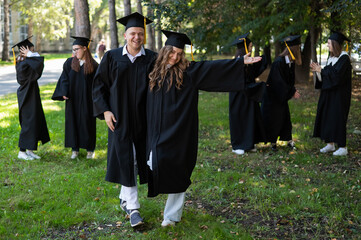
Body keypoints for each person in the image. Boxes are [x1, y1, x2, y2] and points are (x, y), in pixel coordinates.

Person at [146, 30, 262, 227]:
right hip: (155, 131)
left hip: (180, 131)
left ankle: (172, 216)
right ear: (164, 51)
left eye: (179, 54)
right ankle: (130, 201)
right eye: (172, 52)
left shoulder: (187, 72)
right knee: (153, 163)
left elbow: (211, 68)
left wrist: (239, 62)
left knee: (179, 170)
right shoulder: (153, 72)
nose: (175, 57)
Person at [92, 12, 157, 228]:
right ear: (125, 35)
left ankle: (124, 198)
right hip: (118, 118)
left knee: (138, 159)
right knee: (125, 156)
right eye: (132, 33)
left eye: (140, 33)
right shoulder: (111, 57)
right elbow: (98, 86)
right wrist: (105, 111)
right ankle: (134, 209)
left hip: (144, 118)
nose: (137, 37)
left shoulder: (152, 59)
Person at [52, 36, 99, 159]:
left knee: (87, 123)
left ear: (84, 48)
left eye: (77, 49)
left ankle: (90, 149)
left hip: (88, 101)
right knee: (72, 123)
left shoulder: (94, 65)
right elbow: (64, 79)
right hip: (73, 99)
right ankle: (75, 149)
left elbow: (98, 84)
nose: (75, 52)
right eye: (73, 50)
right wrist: (63, 91)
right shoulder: (69, 63)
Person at [310, 31, 352, 156]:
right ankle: (330, 144)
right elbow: (326, 78)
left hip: (339, 96)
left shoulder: (344, 59)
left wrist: (321, 70)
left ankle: (343, 147)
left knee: (337, 119)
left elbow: (336, 77)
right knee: (328, 117)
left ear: (335, 44)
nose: (327, 46)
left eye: (329, 43)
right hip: (328, 94)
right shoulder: (331, 59)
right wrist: (318, 71)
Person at [229, 32, 268, 155]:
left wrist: (261, 61)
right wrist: (260, 86)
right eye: (250, 46)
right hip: (239, 96)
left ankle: (249, 143)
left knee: (250, 118)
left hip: (249, 94)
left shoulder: (247, 61)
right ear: (245, 47)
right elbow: (241, 82)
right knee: (240, 119)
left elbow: (251, 76)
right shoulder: (237, 62)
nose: (251, 48)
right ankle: (238, 145)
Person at [12, 37, 50, 160]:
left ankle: (29, 150)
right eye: (31, 50)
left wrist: (30, 55)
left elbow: (38, 65)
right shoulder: (22, 63)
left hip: (31, 94)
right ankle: (22, 152)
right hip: (26, 95)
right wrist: (30, 55)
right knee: (28, 123)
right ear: (25, 50)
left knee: (34, 121)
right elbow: (38, 64)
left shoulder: (26, 61)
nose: (33, 52)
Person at [261, 35, 301, 151]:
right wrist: (292, 92)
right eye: (298, 48)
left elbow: (289, 80)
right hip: (273, 97)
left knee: (285, 119)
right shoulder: (279, 62)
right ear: (293, 49)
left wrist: (292, 89)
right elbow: (279, 82)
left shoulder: (290, 61)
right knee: (275, 119)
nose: (299, 50)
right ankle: (273, 143)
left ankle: (289, 140)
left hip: (281, 97)